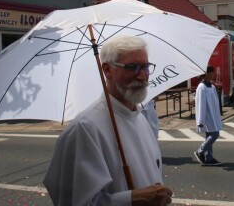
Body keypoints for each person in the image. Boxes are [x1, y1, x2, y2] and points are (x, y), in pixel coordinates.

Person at [43, 35, 173, 206]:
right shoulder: (85, 128)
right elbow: (73, 201)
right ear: (107, 70)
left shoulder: (140, 119)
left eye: (145, 67)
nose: (141, 76)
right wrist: (131, 199)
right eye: (132, 67)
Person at [193, 65, 223, 166]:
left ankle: (209, 157)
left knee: (209, 135)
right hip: (206, 116)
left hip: (213, 115)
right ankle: (200, 150)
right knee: (215, 134)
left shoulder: (211, 85)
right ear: (207, 73)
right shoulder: (201, 87)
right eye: (212, 72)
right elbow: (200, 104)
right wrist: (200, 120)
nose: (214, 74)